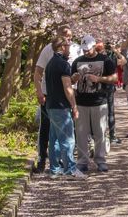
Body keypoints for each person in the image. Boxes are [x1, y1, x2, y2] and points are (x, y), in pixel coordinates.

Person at [71, 36, 117, 173]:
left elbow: (115, 78)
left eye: (88, 49)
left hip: (99, 101)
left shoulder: (105, 60)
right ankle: (82, 161)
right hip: (81, 102)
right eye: (83, 49)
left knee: (100, 132)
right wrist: (74, 78)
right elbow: (71, 78)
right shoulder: (77, 61)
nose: (86, 52)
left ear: (94, 46)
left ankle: (100, 160)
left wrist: (99, 79)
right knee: (81, 133)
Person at [33, 25, 75, 173]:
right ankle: (42, 160)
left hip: (68, 94)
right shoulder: (47, 50)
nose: (67, 38)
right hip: (49, 94)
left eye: (69, 36)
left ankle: (59, 163)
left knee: (64, 131)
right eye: (64, 35)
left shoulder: (74, 49)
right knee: (47, 129)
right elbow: (37, 73)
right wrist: (39, 92)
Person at [44, 35, 84, 178]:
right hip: (61, 106)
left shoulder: (51, 63)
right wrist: (74, 106)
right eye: (68, 46)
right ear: (62, 47)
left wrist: (72, 78)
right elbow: (67, 88)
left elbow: (60, 83)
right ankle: (70, 170)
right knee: (68, 139)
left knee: (54, 139)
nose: (70, 49)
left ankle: (54, 169)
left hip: (51, 105)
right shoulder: (63, 64)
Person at [97, 38, 122, 146]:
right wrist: (115, 51)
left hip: (99, 88)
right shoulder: (109, 58)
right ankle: (112, 136)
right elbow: (123, 61)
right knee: (110, 112)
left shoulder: (94, 59)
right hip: (108, 87)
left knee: (99, 112)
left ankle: (102, 136)